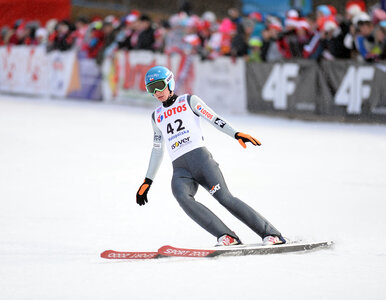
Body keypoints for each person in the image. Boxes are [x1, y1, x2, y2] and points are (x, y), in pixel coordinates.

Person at [136, 66, 286, 246]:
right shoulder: (156, 116)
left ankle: (271, 233)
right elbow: (157, 149)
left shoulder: (188, 101)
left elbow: (214, 119)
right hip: (180, 169)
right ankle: (226, 236)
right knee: (182, 196)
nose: (157, 92)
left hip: (201, 161)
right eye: (151, 89)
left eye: (159, 86)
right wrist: (147, 181)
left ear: (170, 83)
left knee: (225, 199)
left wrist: (236, 134)